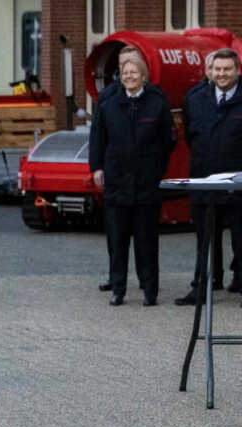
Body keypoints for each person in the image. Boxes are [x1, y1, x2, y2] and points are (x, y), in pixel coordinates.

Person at [89, 51, 176, 305]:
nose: (129, 76)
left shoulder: (157, 102)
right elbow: (97, 138)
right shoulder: (108, 103)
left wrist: (156, 166)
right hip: (116, 180)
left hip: (146, 182)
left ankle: (150, 291)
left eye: (134, 72)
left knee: (146, 240)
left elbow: (168, 139)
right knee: (117, 240)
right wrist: (97, 168)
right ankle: (118, 289)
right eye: (125, 73)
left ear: (143, 76)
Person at [174, 48, 242, 306]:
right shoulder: (195, 98)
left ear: (237, 70)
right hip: (204, 179)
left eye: (227, 69)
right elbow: (193, 136)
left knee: (240, 238)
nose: (222, 74)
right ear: (210, 71)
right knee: (204, 240)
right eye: (217, 69)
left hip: (238, 184)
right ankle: (201, 287)